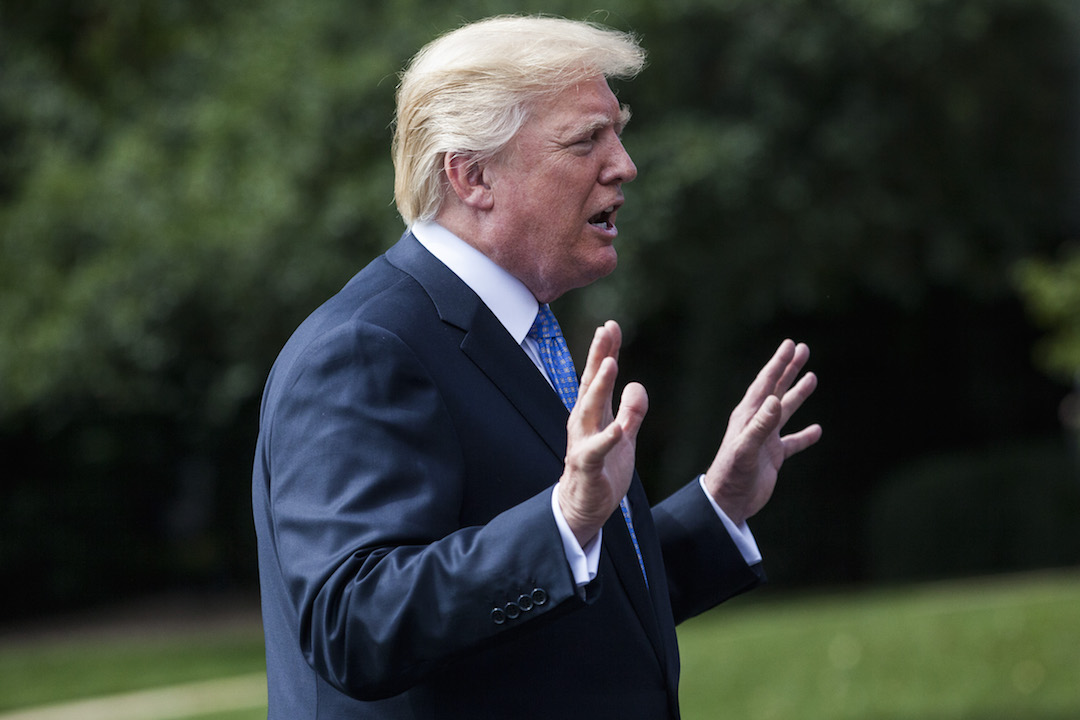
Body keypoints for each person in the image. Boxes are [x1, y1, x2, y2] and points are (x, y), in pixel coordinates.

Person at [252, 14, 821, 719]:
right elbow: (353, 623)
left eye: (618, 131)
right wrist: (564, 517)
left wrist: (717, 507)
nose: (624, 164)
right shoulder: (365, 348)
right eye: (586, 139)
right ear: (473, 176)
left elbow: (573, 600)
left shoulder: (522, 330)